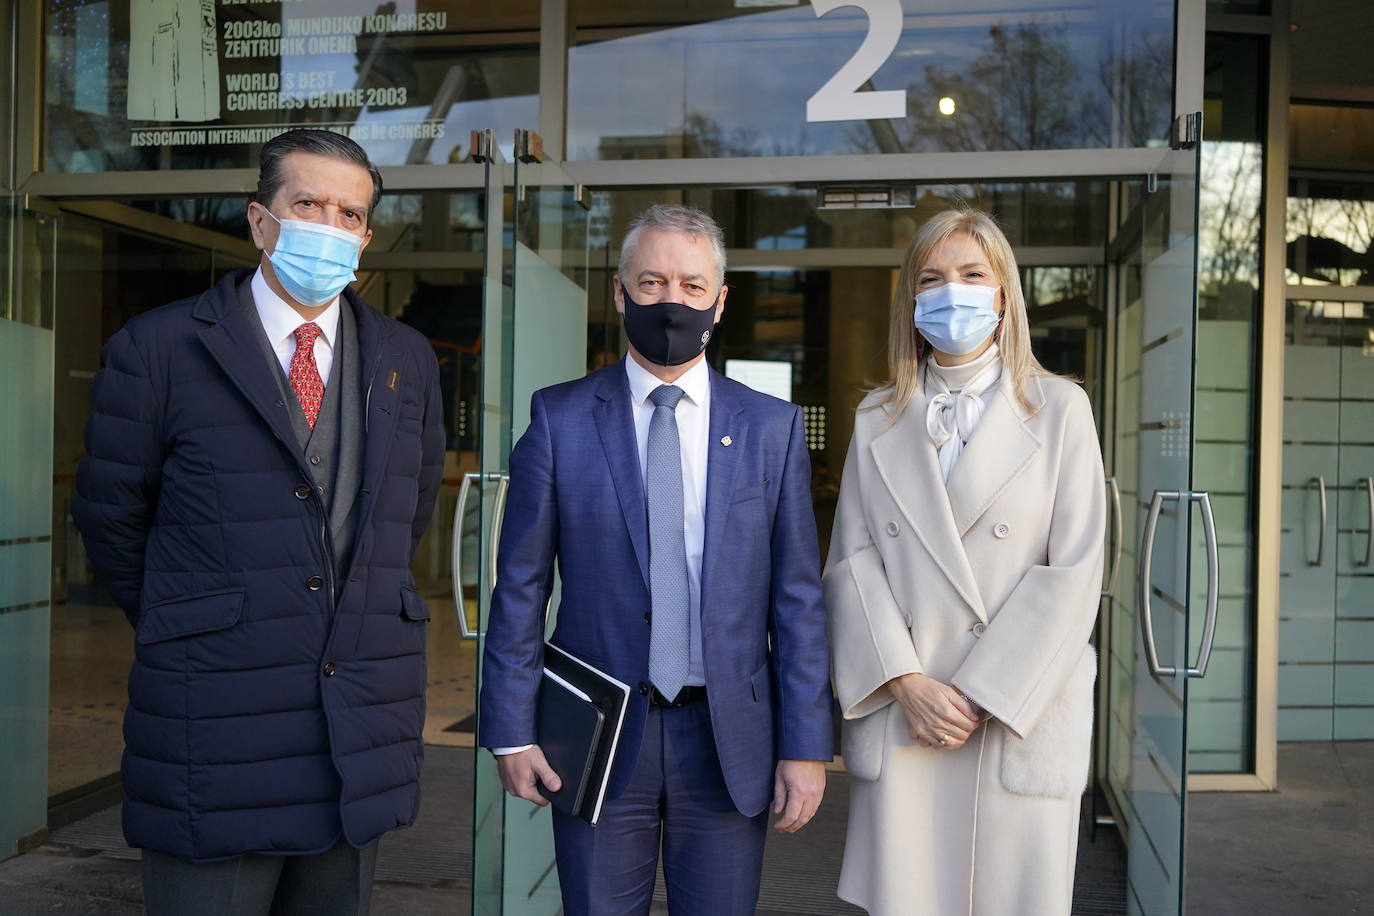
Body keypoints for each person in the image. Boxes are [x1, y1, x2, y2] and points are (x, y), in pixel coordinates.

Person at [72, 129, 445, 915]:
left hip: (356, 734)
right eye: (307, 202)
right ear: (259, 220)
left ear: (367, 235)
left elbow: (403, 515)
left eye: (349, 212)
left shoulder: (405, 358)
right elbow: (111, 518)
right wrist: (201, 618)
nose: (329, 224)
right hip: (215, 732)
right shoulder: (161, 347)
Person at [478, 204, 834, 915]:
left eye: (692, 286)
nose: (672, 301)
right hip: (600, 733)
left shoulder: (772, 429)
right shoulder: (560, 419)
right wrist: (509, 730)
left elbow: (797, 599)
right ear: (619, 292)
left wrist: (806, 744)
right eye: (652, 282)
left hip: (728, 738)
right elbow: (519, 588)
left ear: (720, 301)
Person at [825, 208, 1105, 915]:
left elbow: (1074, 574)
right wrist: (907, 683)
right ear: (912, 302)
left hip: (1012, 715)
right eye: (933, 278)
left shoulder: (1062, 409)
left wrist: (979, 694)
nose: (954, 291)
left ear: (1003, 293)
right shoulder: (876, 419)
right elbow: (851, 565)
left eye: (972, 274)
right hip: (908, 714)